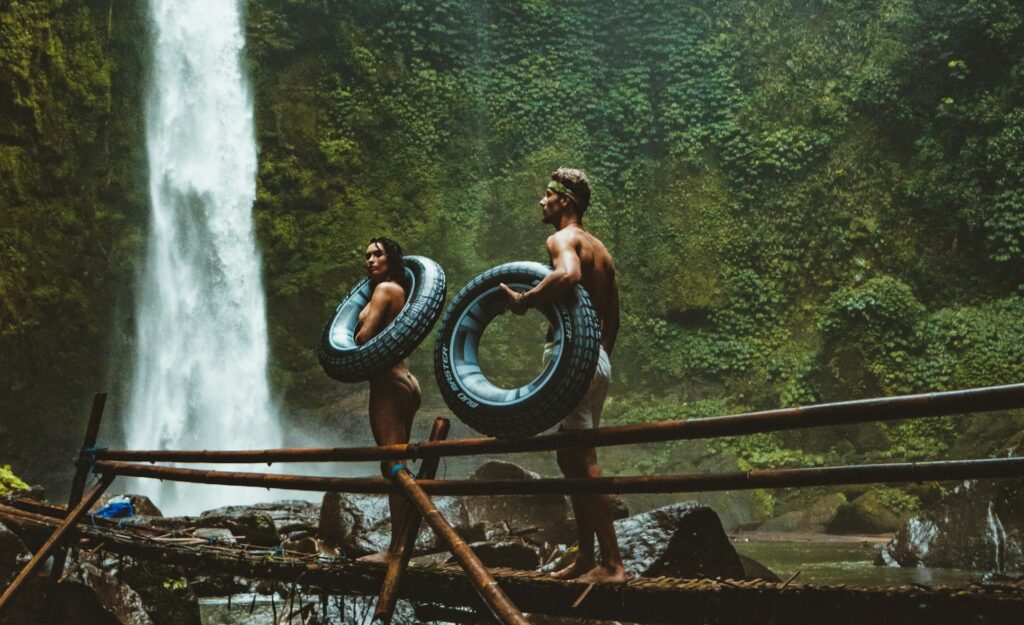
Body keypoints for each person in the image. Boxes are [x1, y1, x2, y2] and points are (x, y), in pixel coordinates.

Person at [499, 168, 626, 584]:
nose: (541, 201)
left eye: (547, 195)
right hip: (597, 361)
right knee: (569, 455)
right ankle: (588, 558)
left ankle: (612, 564)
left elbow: (568, 275)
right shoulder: (602, 251)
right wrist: (595, 357)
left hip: (577, 360)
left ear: (564, 201)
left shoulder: (562, 239)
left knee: (581, 458)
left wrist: (525, 300)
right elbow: (614, 320)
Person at [354, 237, 421, 564]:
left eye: (377, 254)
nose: (370, 259)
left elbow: (364, 338)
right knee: (398, 464)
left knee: (394, 465)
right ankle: (404, 541)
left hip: (387, 383)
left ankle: (397, 550)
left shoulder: (383, 291)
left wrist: (356, 331)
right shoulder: (399, 291)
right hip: (406, 380)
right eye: (367, 255)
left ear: (391, 258)